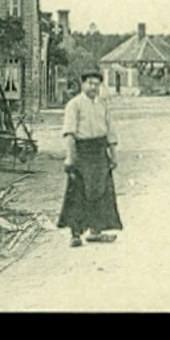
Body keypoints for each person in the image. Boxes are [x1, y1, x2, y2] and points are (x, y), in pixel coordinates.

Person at [58, 67, 123, 248]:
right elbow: (69, 133)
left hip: (99, 151)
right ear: (82, 84)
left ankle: (96, 231)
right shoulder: (74, 105)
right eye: (90, 83)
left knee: (101, 191)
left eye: (97, 84)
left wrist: (113, 155)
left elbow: (110, 131)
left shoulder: (103, 105)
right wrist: (71, 158)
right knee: (78, 192)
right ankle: (75, 234)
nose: (94, 87)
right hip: (82, 151)